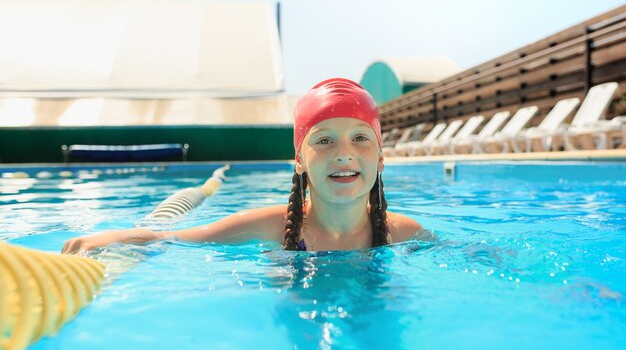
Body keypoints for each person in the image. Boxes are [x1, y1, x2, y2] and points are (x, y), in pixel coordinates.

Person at [62, 78, 422, 254]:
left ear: (380, 157)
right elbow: (173, 238)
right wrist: (110, 239)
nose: (344, 153)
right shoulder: (270, 226)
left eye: (360, 138)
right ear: (299, 160)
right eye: (324, 140)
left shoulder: (402, 233)